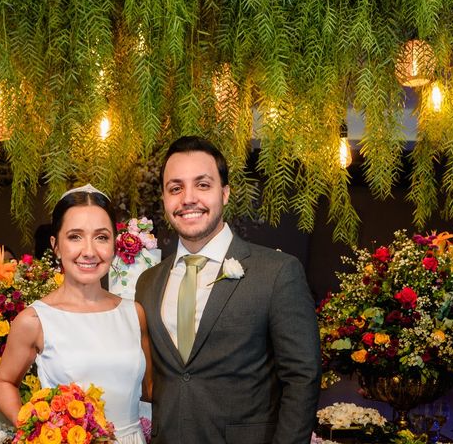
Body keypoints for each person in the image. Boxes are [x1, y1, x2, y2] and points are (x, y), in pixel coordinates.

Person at [135, 136, 321, 444]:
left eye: (203, 185)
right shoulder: (149, 282)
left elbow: (302, 378)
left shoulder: (277, 272)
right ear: (165, 199)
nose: (188, 198)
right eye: (176, 188)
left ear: (225, 192)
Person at [0, 184, 152, 444]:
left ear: (114, 243)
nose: (89, 251)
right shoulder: (35, 320)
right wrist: (35, 429)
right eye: (75, 236)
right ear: (56, 246)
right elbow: (4, 382)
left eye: (101, 237)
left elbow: (150, 390)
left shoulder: (133, 313)